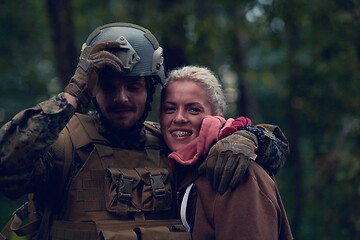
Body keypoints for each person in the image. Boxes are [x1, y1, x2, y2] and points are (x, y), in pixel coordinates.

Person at [0, 23, 286, 240]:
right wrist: (73, 95)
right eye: (109, 87)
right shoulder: (61, 146)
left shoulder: (171, 144)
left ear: (150, 91)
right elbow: (6, 166)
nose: (121, 97)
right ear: (93, 90)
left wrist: (251, 137)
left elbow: (270, 152)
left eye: (134, 87)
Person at [160, 65, 293, 240]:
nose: (179, 118)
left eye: (194, 109)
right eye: (170, 109)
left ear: (217, 115)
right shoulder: (181, 167)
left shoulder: (236, 168)